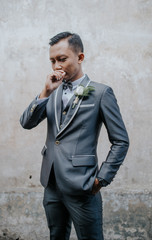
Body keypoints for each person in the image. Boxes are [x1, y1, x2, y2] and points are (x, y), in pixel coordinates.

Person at [20, 32, 129, 240]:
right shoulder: (52, 92)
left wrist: (101, 179)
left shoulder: (100, 93)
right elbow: (26, 123)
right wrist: (45, 92)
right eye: (52, 61)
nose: (56, 66)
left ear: (80, 57)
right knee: (56, 236)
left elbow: (121, 140)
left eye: (62, 59)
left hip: (83, 185)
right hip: (51, 183)